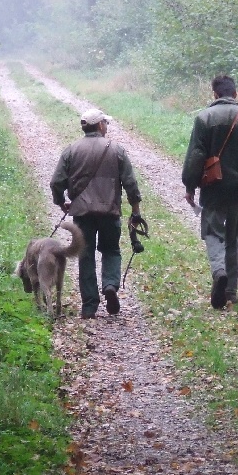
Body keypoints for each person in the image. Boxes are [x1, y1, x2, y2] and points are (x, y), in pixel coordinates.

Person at [50, 108, 143, 319]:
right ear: (100, 125)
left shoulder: (71, 150)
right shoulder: (117, 150)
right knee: (111, 250)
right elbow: (130, 183)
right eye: (106, 123)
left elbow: (56, 182)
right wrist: (135, 210)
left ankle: (89, 306)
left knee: (85, 255)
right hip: (110, 212)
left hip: (82, 215)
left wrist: (60, 202)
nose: (107, 126)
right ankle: (110, 285)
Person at [182, 75, 238, 309]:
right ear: (235, 94)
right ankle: (231, 291)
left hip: (213, 186)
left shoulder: (204, 118)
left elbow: (197, 154)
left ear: (215, 94)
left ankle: (219, 271)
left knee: (212, 231)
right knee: (234, 236)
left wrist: (190, 185)